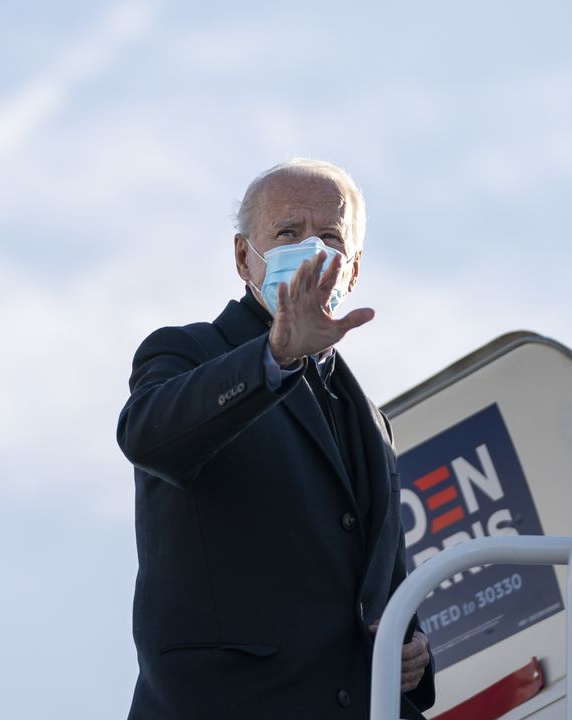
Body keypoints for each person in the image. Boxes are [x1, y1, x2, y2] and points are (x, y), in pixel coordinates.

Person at [117, 158, 435, 719]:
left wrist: (411, 653)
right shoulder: (190, 352)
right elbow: (149, 435)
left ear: (353, 269)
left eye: (330, 237)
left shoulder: (371, 422)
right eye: (288, 232)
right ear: (245, 256)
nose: (311, 249)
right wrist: (277, 354)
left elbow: (383, 588)